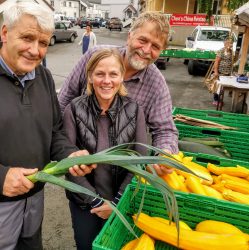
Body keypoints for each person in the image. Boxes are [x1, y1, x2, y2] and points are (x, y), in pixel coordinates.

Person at [0, 3, 95, 250]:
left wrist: (69, 155)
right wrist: (1, 177)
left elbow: (54, 132)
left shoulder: (43, 77)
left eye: (43, 42)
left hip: (34, 199)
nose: (35, 50)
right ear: (4, 33)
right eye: (27, 38)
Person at [59, 11, 179, 174]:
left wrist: (165, 153)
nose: (146, 50)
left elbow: (165, 129)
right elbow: (63, 103)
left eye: (155, 47)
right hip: (82, 172)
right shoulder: (95, 57)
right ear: (129, 36)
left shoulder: (156, 83)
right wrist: (64, 151)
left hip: (124, 177)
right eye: (142, 40)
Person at [63, 48, 147, 250]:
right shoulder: (74, 109)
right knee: (87, 246)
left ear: (121, 77)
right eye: (100, 74)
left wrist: (117, 202)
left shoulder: (134, 110)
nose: (106, 80)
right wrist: (95, 202)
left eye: (113, 74)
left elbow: (141, 159)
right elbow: (68, 161)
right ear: (90, 76)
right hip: (85, 204)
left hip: (122, 201)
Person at [212, 36, 234, 106]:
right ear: (225, 43)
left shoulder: (231, 52)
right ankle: (216, 100)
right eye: (229, 43)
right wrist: (216, 72)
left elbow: (232, 61)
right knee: (217, 86)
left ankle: (220, 100)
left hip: (227, 73)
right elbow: (217, 62)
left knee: (222, 88)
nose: (230, 45)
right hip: (220, 72)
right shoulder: (221, 51)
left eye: (231, 43)